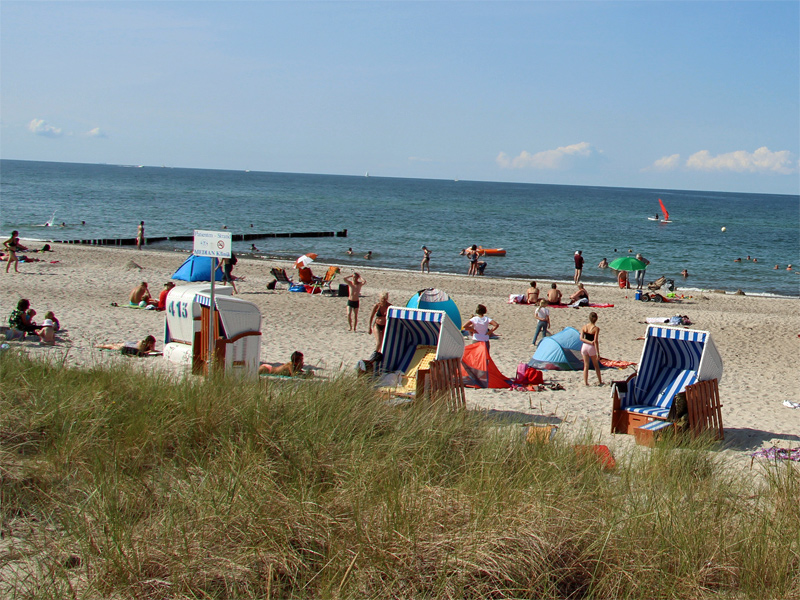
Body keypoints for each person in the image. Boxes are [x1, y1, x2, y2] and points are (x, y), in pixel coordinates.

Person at [580, 312, 602, 386]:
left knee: (586, 365)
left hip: (584, 346)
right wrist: (598, 353)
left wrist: (588, 342)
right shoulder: (596, 328)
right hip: (591, 347)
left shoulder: (584, 327)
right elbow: (595, 341)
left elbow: (581, 338)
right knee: (596, 365)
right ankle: (600, 381)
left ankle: (586, 382)